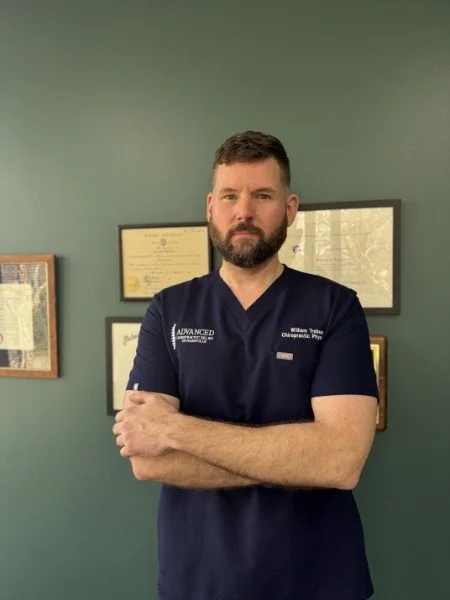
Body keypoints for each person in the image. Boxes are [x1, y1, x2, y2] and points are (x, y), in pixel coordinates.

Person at [112, 131, 378, 600]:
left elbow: (341, 462)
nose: (244, 212)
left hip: (317, 576)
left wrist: (175, 430)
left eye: (263, 195)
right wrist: (297, 459)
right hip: (199, 576)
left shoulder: (335, 307)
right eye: (231, 196)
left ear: (290, 208)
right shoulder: (168, 311)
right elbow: (145, 461)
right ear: (210, 206)